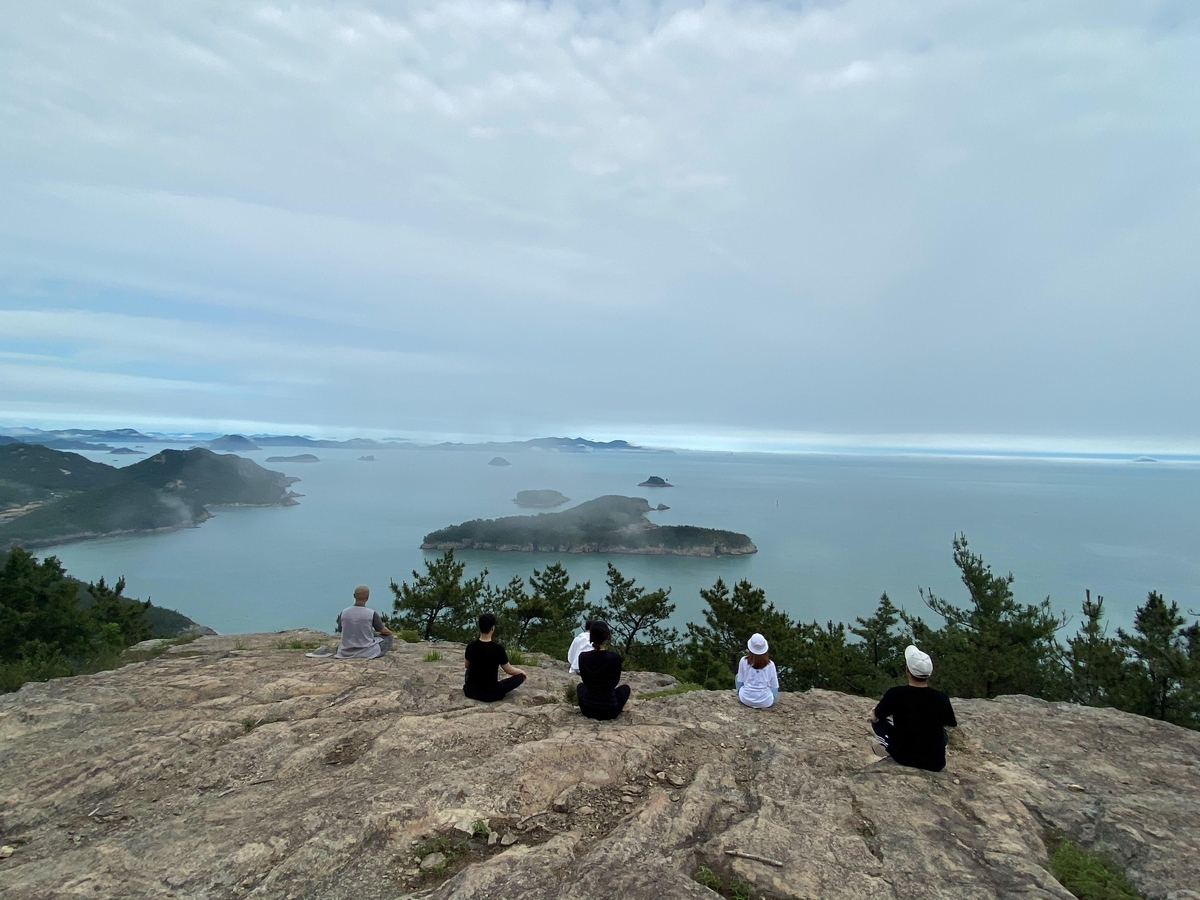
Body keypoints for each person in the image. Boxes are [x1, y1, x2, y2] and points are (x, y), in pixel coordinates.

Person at [868, 645, 957, 772]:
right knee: (942, 732)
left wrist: (875, 713)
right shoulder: (941, 697)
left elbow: (877, 716)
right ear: (929, 673)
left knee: (878, 722)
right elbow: (950, 722)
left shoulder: (896, 693)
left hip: (904, 757)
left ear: (907, 670)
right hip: (935, 762)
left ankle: (888, 746)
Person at [464, 613, 526, 702]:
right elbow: (509, 670)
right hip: (491, 694)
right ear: (493, 628)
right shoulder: (498, 649)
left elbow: (467, 666)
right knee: (519, 677)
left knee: (468, 671)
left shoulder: (471, 646)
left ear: (480, 627)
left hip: (471, 691)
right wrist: (521, 672)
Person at [575, 621, 631, 720]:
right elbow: (615, 682)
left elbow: (585, 680)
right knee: (625, 689)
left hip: (587, 709)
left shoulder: (583, 657)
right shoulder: (614, 658)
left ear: (591, 636)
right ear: (607, 637)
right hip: (610, 710)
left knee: (580, 686)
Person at [333, 585, 392, 659]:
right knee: (388, 638)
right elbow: (384, 631)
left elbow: (340, 630)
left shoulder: (344, 612)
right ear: (367, 597)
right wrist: (390, 633)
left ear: (354, 596)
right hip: (367, 651)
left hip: (346, 651)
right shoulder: (371, 613)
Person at [736, 633, 779, 709]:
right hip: (766, 702)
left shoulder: (743, 660)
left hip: (745, 699)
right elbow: (774, 686)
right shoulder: (771, 664)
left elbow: (740, 680)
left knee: (737, 676)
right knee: (769, 686)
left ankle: (746, 693)